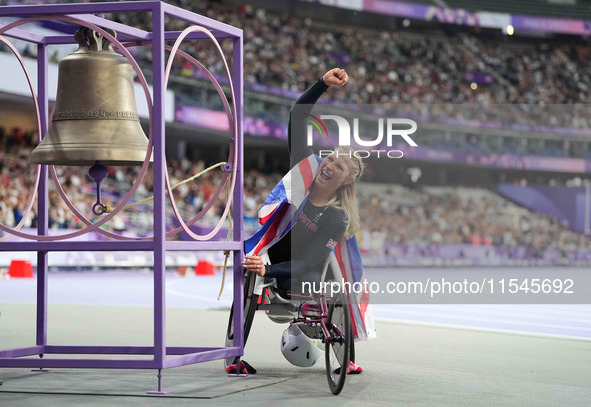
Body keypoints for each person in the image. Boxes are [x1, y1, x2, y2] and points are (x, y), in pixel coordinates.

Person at [231, 68, 366, 374]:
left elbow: (310, 261)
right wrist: (321, 85)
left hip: (307, 271)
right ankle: (235, 358)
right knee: (249, 269)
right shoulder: (304, 173)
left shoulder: (336, 216)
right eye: (330, 158)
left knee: (334, 278)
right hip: (280, 260)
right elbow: (297, 117)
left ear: (346, 181)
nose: (329, 165)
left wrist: (270, 269)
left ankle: (347, 356)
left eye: (339, 167)